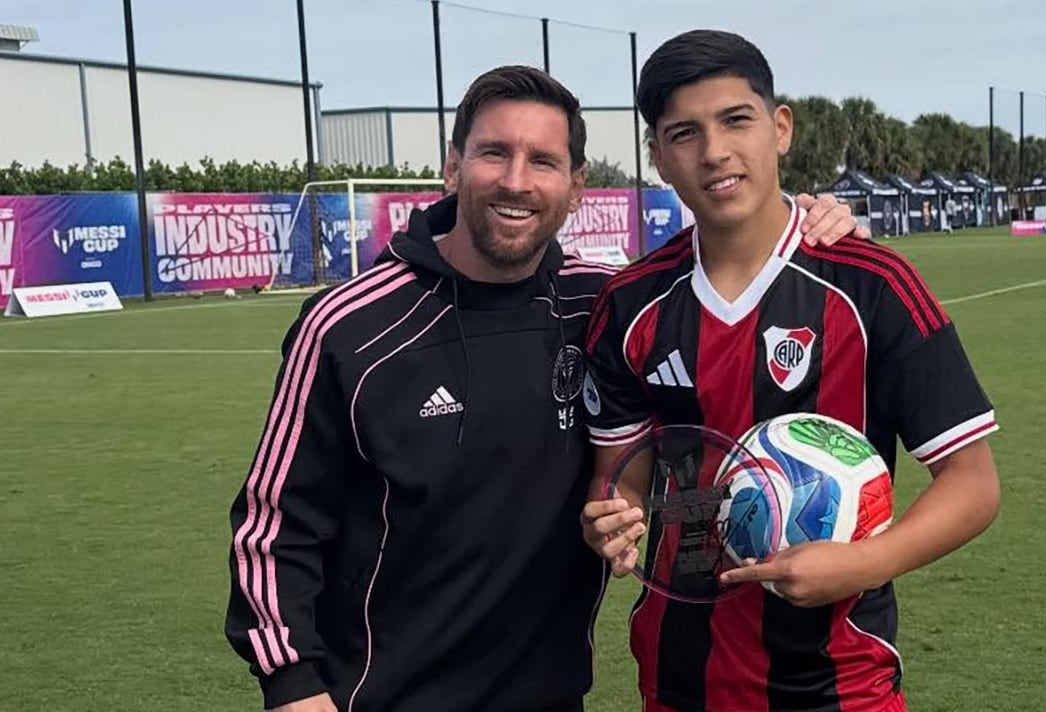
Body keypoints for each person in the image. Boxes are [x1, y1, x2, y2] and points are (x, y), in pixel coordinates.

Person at [224, 64, 868, 712]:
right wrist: (293, 687)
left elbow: (722, 262)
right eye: (493, 153)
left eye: (543, 161)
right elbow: (273, 525)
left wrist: (806, 221)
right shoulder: (349, 325)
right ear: (453, 166)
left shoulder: (604, 305)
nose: (515, 181)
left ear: (576, 186)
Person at [580, 30, 1001, 712]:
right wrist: (613, 517)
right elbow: (623, 475)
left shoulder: (874, 287)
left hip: (839, 687)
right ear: (658, 157)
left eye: (735, 120)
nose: (714, 151)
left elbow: (974, 485)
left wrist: (867, 562)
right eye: (683, 133)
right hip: (679, 678)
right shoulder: (629, 304)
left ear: (780, 128)